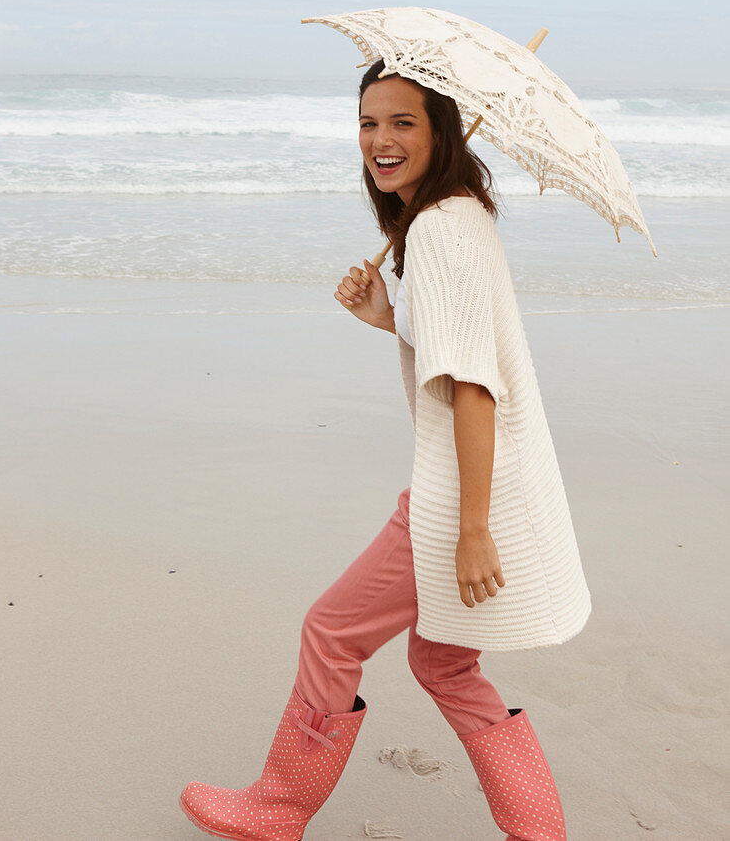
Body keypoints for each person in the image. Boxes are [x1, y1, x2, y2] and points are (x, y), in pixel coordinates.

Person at [180, 61, 591, 841]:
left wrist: (469, 529)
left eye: (404, 122)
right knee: (443, 664)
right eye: (369, 121)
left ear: (442, 130)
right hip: (491, 484)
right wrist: (387, 315)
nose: (380, 140)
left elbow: (472, 387)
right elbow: (458, 342)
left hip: (459, 498)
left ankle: (277, 808)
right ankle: (539, 834)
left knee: (331, 632)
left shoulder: (437, 230)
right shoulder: (457, 216)